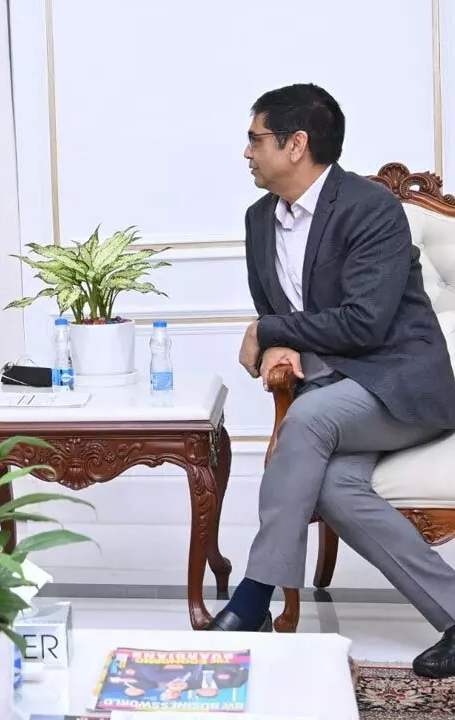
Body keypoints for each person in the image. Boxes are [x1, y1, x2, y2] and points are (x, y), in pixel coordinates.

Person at [212, 82, 455, 677]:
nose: (247, 152)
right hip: (335, 394)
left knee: (309, 418)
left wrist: (267, 327)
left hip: (402, 385)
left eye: (256, 139)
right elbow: (283, 312)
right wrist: (278, 342)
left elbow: (367, 322)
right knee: (333, 491)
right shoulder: (257, 220)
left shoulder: (371, 209)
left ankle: (252, 599)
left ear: (296, 144)